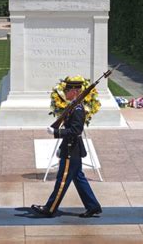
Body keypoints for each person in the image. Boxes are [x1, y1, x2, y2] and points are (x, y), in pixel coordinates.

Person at [31, 77, 102, 218]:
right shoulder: (74, 106)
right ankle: (93, 206)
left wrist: (57, 132)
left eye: (67, 91)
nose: (65, 93)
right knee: (78, 178)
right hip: (70, 148)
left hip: (71, 150)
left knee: (62, 181)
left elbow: (76, 131)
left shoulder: (78, 110)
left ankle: (50, 209)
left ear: (75, 92)